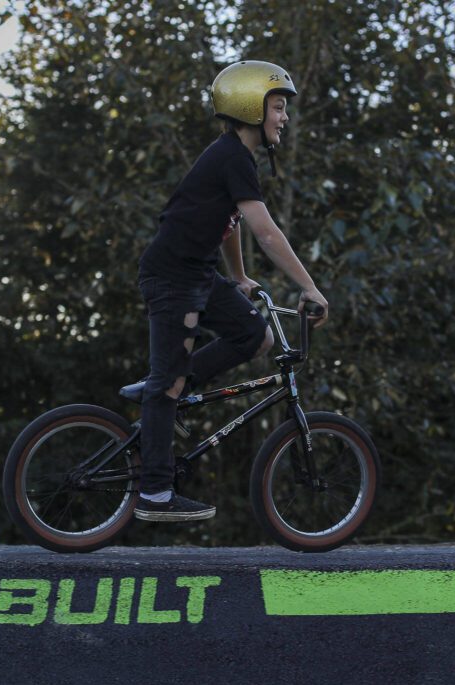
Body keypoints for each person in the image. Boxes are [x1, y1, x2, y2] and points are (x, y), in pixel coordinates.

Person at [132, 60, 329, 522]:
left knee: (254, 336)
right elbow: (267, 233)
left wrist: (239, 278)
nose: (284, 117)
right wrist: (310, 288)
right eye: (278, 107)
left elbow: (230, 224)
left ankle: (165, 388)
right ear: (250, 106)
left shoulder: (234, 157)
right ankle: (155, 494)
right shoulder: (232, 156)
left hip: (199, 273)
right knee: (169, 382)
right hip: (172, 276)